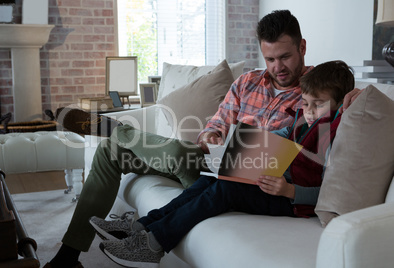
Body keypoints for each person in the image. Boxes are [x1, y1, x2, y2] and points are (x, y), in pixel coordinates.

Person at [44, 10, 355, 268]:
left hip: (255, 177)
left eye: (285, 57)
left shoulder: (318, 91)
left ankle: (114, 128)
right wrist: (212, 135)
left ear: (302, 46)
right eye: (270, 58)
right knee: (112, 152)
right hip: (216, 161)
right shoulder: (247, 82)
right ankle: (69, 255)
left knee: (177, 151)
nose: (278, 67)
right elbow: (216, 123)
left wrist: (355, 99)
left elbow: (348, 104)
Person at [95, 60, 354, 267]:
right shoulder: (304, 121)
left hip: (290, 199)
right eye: (305, 103)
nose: (309, 111)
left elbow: (329, 191)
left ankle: (153, 245)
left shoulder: (332, 135)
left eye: (318, 105)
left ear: (341, 104)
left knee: (225, 189)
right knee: (211, 177)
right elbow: (280, 138)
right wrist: (241, 150)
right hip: (270, 178)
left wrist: (291, 192)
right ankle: (141, 227)